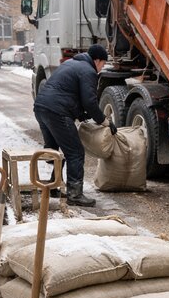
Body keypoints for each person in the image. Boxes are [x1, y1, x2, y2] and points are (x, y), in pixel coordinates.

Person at [33, 43, 118, 207]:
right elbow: (90, 101)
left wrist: (81, 114)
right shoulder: (89, 71)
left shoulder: (70, 63)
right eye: (103, 64)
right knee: (75, 152)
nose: (101, 68)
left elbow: (68, 92)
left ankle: (53, 185)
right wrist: (105, 121)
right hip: (57, 111)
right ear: (97, 60)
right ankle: (75, 195)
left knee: (55, 150)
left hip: (41, 107)